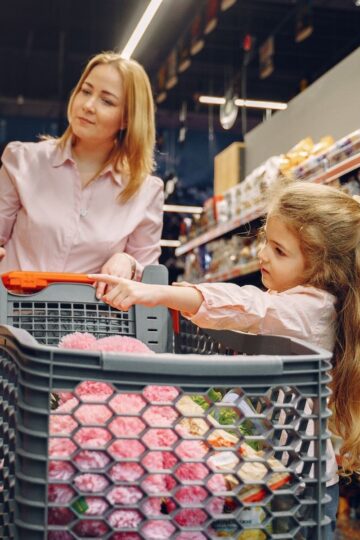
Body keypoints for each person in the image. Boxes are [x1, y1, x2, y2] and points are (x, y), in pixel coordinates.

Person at [90, 180, 360, 538]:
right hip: (276, 472)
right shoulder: (297, 300)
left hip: (301, 485)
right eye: (266, 240)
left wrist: (158, 294)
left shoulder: (312, 309)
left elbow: (249, 306)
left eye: (279, 251)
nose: (262, 254)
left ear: (323, 270)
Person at [0, 51, 164, 298]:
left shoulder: (145, 191)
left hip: (90, 325)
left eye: (106, 101)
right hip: (11, 318)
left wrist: (128, 262)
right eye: (86, 91)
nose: (88, 105)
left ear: (127, 119)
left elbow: (149, 283)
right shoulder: (23, 161)